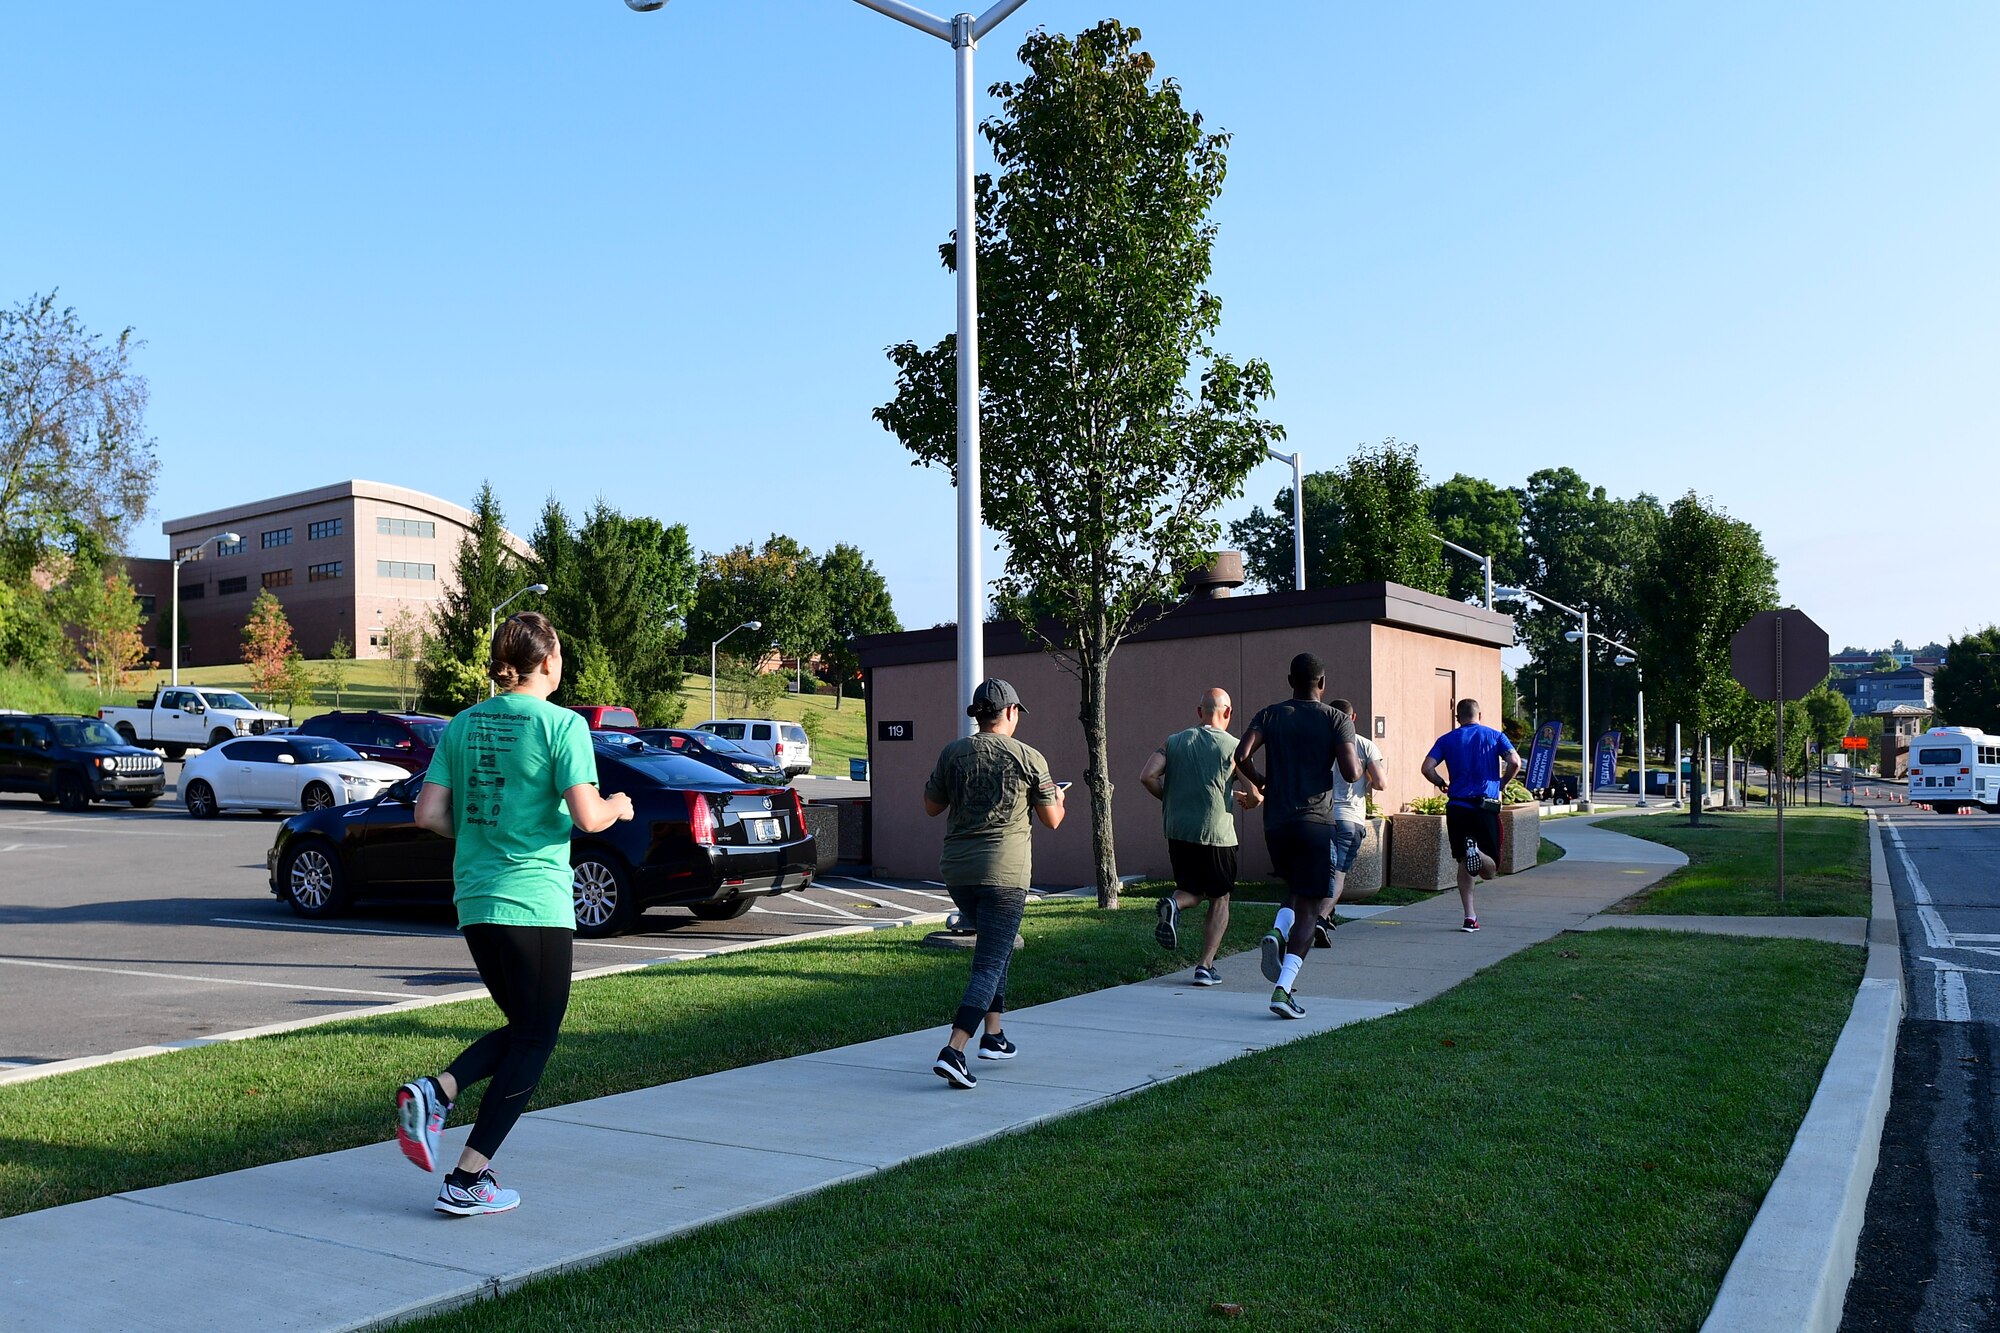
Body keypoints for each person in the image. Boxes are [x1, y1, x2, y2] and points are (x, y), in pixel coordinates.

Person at [391, 612, 634, 1216]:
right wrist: (618, 807)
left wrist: (481, 832)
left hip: (476, 899)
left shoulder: (462, 725)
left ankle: (437, 1093)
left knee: (526, 1028)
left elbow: (427, 816)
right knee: (537, 1035)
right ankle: (468, 1177)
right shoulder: (563, 725)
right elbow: (586, 816)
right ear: (547, 662)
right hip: (535, 902)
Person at [922, 678, 1065, 1088]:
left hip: (958, 870)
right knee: (988, 961)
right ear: (1011, 712)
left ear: (978, 715)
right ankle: (955, 1049)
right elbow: (1052, 819)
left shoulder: (952, 752)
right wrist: (1059, 799)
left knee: (995, 949)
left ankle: (994, 1036)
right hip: (1005, 873)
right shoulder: (1030, 757)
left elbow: (931, 806)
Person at [1234, 653, 1362, 1019]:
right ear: (1322, 683)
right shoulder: (1336, 718)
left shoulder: (1270, 714)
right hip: (1314, 821)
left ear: (1290, 679)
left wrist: (1263, 782)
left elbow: (1241, 755)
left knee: (1296, 888)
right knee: (1309, 907)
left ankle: (1276, 932)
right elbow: (1352, 772)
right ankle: (1283, 990)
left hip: (1276, 823)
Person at [1138, 688, 1255, 987]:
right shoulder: (1234, 746)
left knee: (1191, 889)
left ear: (1198, 711)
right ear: (1227, 713)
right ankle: (1205, 966)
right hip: (1217, 834)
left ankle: (1174, 905)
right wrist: (1248, 799)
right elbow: (1254, 793)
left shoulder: (1174, 741)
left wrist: (1171, 800)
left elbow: (1147, 776)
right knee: (1220, 897)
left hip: (1178, 831)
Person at [1286, 697, 1386, 949]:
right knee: (1338, 874)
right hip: (1350, 819)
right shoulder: (1365, 745)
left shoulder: (1316, 743)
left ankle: (1304, 921)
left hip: (1318, 817)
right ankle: (1319, 919)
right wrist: (1366, 781)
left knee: (1316, 872)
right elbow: (1382, 783)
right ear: (1352, 718)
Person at [1420, 697, 1522, 933]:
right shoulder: (1495, 736)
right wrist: (1501, 783)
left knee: (1464, 864)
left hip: (1457, 806)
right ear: (1480, 715)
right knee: (1490, 870)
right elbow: (1514, 762)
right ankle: (1474, 850)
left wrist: (1441, 782)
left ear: (1458, 718)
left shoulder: (1446, 739)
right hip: (1485, 806)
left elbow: (1426, 768)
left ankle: (1469, 916)